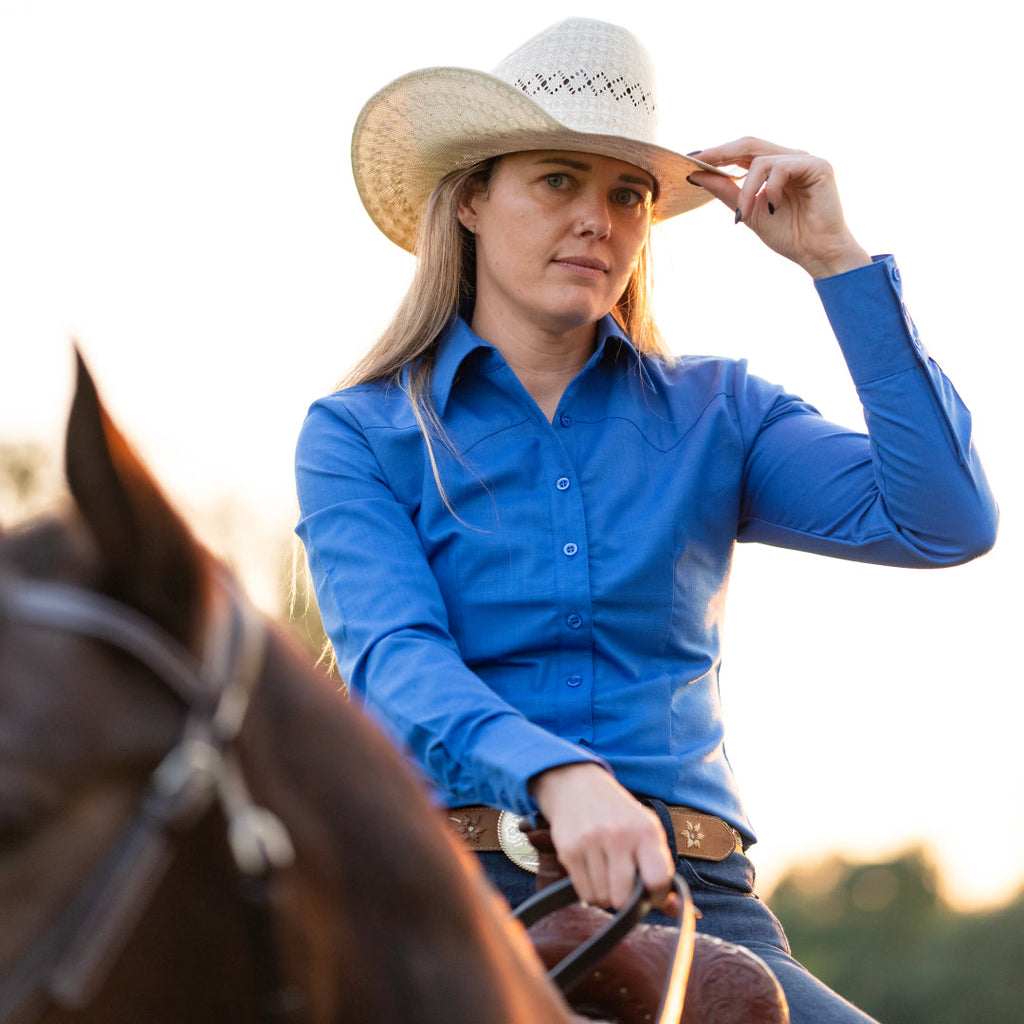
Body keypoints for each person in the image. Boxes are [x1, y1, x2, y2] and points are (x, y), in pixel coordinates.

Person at [294, 17, 997, 1024]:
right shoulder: (358, 432)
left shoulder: (722, 413)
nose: (597, 219)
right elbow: (395, 654)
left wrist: (836, 262)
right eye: (555, 180)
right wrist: (558, 775)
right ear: (472, 201)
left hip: (696, 907)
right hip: (445, 896)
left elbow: (943, 518)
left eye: (626, 193)